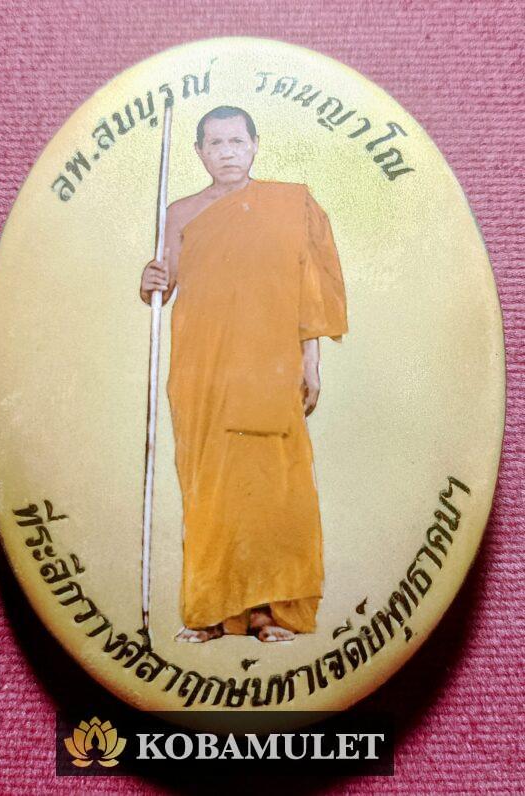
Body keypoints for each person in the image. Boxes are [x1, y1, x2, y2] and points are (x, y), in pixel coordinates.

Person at [140, 105, 348, 643]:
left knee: (273, 488)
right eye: (215, 143)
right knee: (210, 489)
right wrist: (150, 278)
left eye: (236, 141)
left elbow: (309, 288)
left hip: (268, 363)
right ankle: (211, 612)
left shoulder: (288, 205)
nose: (227, 152)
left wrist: (310, 360)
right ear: (199, 152)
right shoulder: (181, 212)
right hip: (203, 369)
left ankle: (266, 614)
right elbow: (165, 283)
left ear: (255, 144)